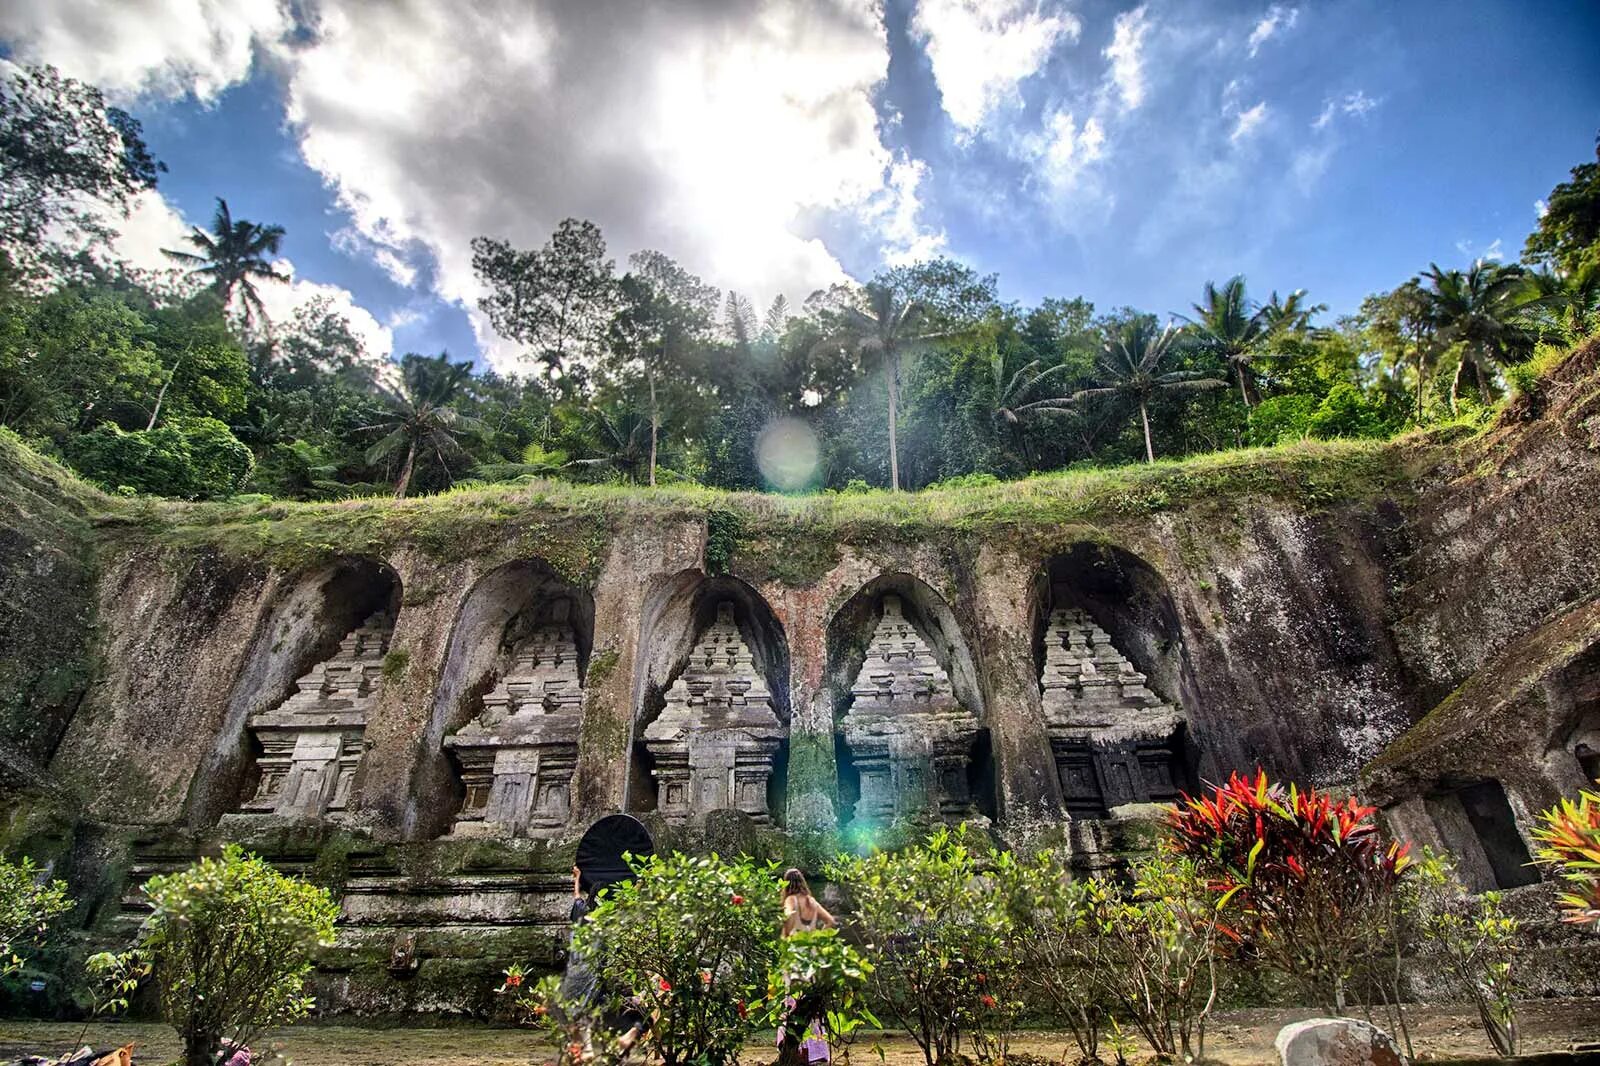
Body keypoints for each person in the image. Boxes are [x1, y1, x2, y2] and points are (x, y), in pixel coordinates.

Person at [777, 869, 836, 1065]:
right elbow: (830, 922)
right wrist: (816, 939)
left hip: (795, 957)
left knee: (792, 1003)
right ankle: (816, 1052)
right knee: (809, 1006)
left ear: (787, 884)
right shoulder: (811, 901)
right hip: (811, 959)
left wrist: (787, 937)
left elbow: (789, 917)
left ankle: (795, 1051)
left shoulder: (791, 900)